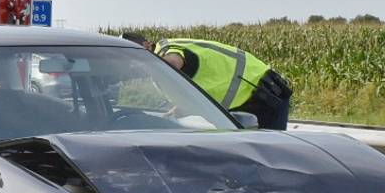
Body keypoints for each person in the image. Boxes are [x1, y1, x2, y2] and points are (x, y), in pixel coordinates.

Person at [122, 33, 293, 130]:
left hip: (265, 94)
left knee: (269, 159)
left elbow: (174, 62)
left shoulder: (165, 49)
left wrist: (149, 65)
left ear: (147, 44)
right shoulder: (158, 72)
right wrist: (174, 112)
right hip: (241, 105)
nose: (133, 64)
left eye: (134, 55)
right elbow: (192, 91)